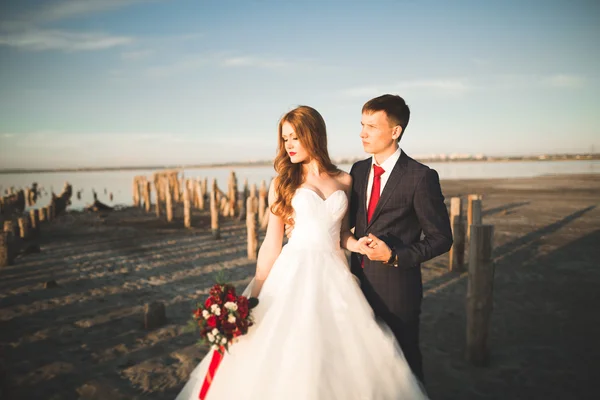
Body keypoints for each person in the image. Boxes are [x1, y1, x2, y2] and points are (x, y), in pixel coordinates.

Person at [175, 105, 427, 400]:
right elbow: (272, 242)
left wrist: (355, 244)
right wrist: (255, 287)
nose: (288, 146)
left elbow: (343, 233)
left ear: (314, 135)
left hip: (336, 277)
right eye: (284, 139)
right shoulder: (282, 183)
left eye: (295, 137)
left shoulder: (346, 181)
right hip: (292, 273)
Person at [348, 94, 453, 382]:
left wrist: (394, 256)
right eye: (361, 124)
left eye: (371, 126)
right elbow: (347, 225)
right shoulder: (357, 170)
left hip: (397, 290)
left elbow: (441, 238)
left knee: (403, 362)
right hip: (354, 283)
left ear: (395, 131)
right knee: (363, 362)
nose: (362, 133)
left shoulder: (421, 177)